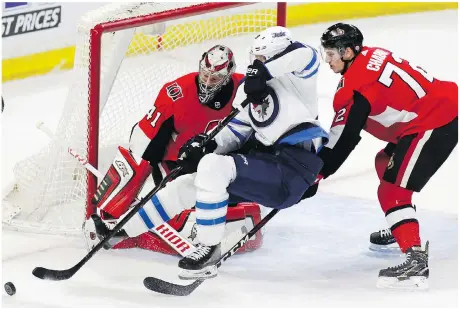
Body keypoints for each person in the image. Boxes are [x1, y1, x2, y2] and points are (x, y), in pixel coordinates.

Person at [103, 25, 327, 280]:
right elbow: (234, 133)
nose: (255, 63)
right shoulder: (247, 92)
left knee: (213, 166)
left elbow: (305, 55)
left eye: (262, 58)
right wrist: (205, 144)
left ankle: (208, 248)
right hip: (269, 169)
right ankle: (124, 230)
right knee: (190, 183)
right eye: (254, 57)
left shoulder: (298, 79)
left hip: (295, 168)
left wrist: (263, 71)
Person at [310, 22, 457, 289]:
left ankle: (415, 260)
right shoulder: (373, 54)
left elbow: (343, 140)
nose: (327, 60)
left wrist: (318, 173)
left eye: (332, 53)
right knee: (383, 162)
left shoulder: (355, 88)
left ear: (347, 53)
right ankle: (400, 221)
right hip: (438, 108)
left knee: (390, 191)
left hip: (434, 122)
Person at [85, 45, 263, 254]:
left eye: (214, 79)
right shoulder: (177, 92)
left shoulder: (245, 90)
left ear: (227, 76)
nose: (206, 82)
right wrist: (133, 184)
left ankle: (207, 231)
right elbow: (144, 141)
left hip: (221, 167)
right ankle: (123, 225)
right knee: (183, 207)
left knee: (230, 209)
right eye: (204, 75)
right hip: (178, 164)